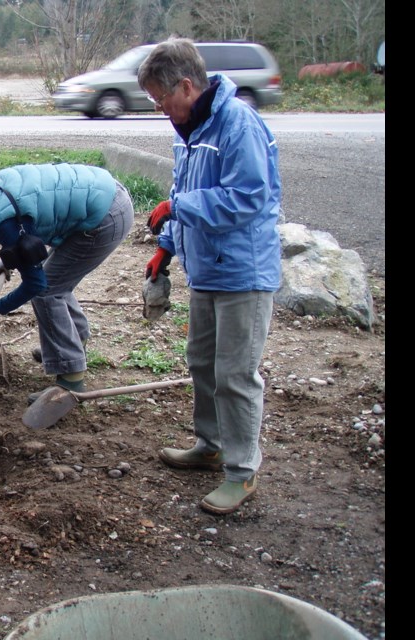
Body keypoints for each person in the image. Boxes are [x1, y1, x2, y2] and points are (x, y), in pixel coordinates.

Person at [138, 38, 282, 515]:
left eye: (162, 99)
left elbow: (247, 199)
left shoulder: (238, 124)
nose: (161, 109)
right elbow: (185, 198)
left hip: (243, 270)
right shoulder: (189, 130)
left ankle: (241, 473)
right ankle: (211, 444)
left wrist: (176, 207)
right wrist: (165, 248)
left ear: (186, 85)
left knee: (235, 374)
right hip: (206, 269)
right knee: (201, 361)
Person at [0, 163, 134, 402]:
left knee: (48, 289)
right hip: (108, 193)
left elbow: (35, 285)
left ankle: (71, 378)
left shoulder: (5, 223)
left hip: (105, 218)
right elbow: (32, 220)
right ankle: (72, 343)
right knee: (58, 278)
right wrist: (12, 257)